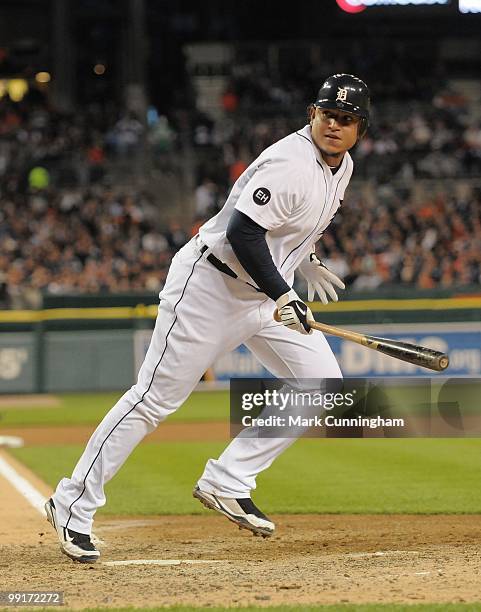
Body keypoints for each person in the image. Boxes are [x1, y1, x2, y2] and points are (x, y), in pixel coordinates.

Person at [45, 74, 370, 563]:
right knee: (154, 400)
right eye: (328, 115)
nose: (335, 125)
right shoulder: (289, 162)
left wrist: (305, 259)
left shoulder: (340, 167)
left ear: (359, 129)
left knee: (322, 382)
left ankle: (228, 479)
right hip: (210, 288)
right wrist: (285, 291)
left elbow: (294, 221)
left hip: (261, 294)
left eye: (346, 120)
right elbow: (242, 232)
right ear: (312, 114)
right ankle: (72, 504)